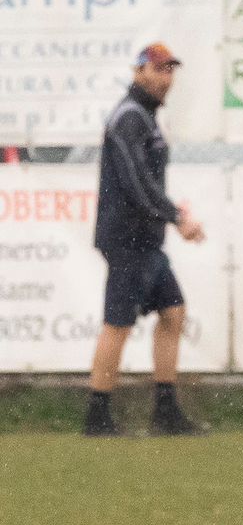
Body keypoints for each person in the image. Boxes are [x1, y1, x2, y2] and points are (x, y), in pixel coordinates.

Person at [85, 43, 206, 437]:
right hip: (127, 238)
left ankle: (165, 412)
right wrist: (177, 217)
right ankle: (97, 416)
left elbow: (145, 183)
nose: (165, 78)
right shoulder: (129, 118)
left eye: (170, 70)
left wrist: (169, 217)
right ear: (139, 72)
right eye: (158, 69)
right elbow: (136, 183)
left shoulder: (146, 117)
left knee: (173, 313)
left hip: (146, 239)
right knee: (117, 323)